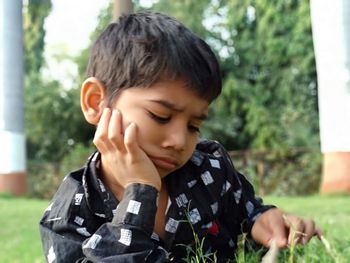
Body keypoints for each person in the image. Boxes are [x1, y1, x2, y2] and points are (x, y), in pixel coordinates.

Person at [39, 11, 321, 263]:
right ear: (95, 101)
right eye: (160, 116)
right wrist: (140, 192)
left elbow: (249, 215)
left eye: (194, 126)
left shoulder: (211, 171)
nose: (179, 141)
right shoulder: (69, 213)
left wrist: (266, 224)